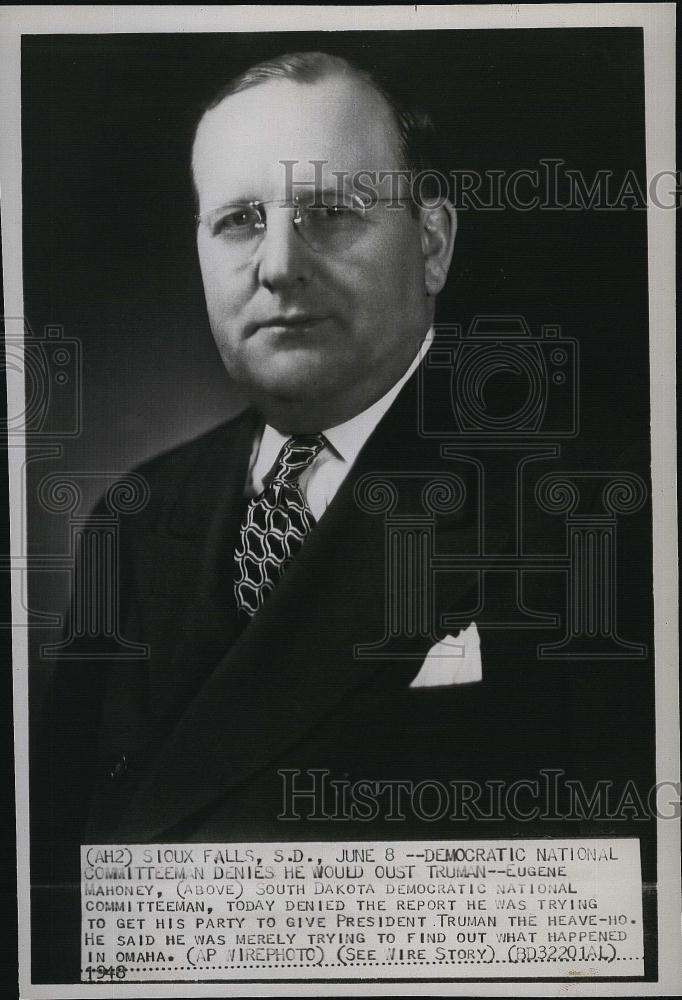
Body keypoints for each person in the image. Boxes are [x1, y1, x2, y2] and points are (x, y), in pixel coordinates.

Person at [31, 50, 655, 980]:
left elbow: (633, 918)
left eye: (330, 212)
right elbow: (49, 903)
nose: (279, 265)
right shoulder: (134, 515)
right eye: (240, 220)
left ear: (433, 243)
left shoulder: (601, 497)